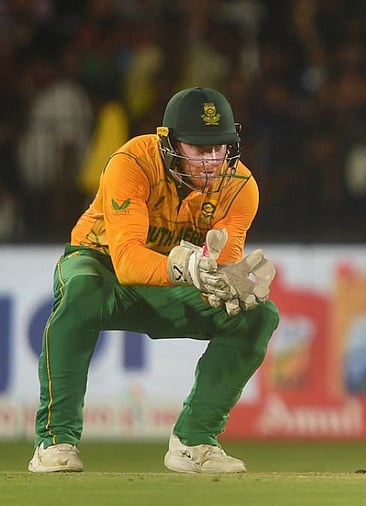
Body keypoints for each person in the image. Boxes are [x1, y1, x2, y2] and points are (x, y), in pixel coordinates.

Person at [27, 87, 279, 474]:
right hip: (101, 265)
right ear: (170, 143)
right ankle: (54, 441)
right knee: (81, 291)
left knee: (258, 315)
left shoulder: (241, 187)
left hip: (173, 283)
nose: (212, 161)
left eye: (220, 148)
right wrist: (190, 268)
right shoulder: (131, 162)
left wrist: (227, 280)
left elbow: (221, 263)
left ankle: (195, 442)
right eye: (199, 148)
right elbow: (127, 261)